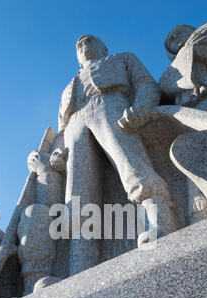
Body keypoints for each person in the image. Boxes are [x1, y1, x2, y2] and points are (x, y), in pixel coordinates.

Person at [52, 34, 178, 275]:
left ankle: (160, 224)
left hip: (110, 105)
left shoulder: (123, 59)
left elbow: (146, 83)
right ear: (77, 57)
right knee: (77, 197)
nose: (83, 45)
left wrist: (141, 106)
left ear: (103, 47)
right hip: (75, 125)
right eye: (79, 45)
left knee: (132, 166)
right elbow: (61, 128)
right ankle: (81, 263)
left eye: (89, 41)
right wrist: (59, 150)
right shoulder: (68, 86)